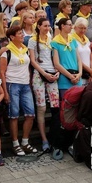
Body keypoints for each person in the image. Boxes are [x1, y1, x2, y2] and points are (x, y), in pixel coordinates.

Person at [0, 26, 37, 156]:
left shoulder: (25, 50)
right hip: (12, 84)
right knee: (14, 115)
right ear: (12, 37)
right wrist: (5, 91)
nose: (22, 35)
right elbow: (2, 72)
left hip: (25, 84)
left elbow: (28, 68)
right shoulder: (7, 51)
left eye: (22, 33)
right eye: (19, 34)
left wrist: (30, 82)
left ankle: (25, 142)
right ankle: (15, 144)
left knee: (30, 114)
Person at [28, 18, 59, 152]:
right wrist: (43, 73)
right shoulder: (32, 40)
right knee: (41, 107)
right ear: (39, 26)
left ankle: (55, 136)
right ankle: (43, 138)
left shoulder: (51, 38)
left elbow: (55, 58)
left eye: (48, 26)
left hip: (52, 72)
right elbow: (33, 60)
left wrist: (57, 71)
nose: (47, 28)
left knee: (55, 105)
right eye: (45, 26)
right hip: (39, 74)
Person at [72, 17, 92, 84]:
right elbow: (76, 58)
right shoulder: (72, 39)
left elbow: (91, 58)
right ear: (75, 27)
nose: (83, 30)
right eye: (81, 28)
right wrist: (90, 71)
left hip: (88, 73)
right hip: (79, 71)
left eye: (85, 28)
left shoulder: (86, 40)